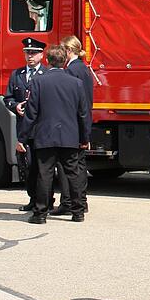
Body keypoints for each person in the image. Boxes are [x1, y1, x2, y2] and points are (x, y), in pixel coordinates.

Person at [17, 45, 90, 224]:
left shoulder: (38, 82)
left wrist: (22, 138)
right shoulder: (76, 83)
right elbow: (83, 113)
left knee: (44, 174)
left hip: (45, 135)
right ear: (65, 61)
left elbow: (31, 113)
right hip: (69, 136)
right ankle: (78, 212)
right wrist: (84, 138)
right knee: (73, 173)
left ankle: (40, 214)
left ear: (48, 61)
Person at [6, 37, 47, 212]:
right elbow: (7, 98)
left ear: (42, 54)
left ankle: (46, 199)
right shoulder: (17, 74)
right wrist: (16, 106)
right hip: (24, 127)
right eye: (27, 53)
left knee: (43, 167)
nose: (30, 56)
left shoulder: (47, 74)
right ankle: (32, 198)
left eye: (34, 53)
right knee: (28, 166)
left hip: (42, 128)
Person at [57, 35, 93, 215]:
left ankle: (68, 202)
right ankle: (81, 200)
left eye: (63, 50)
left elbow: (71, 102)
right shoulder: (83, 68)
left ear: (69, 51)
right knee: (79, 165)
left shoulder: (71, 71)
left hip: (71, 124)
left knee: (67, 167)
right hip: (81, 123)